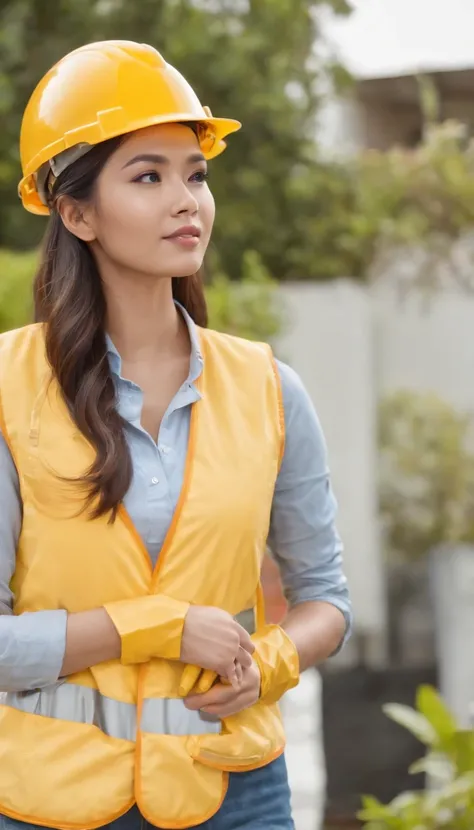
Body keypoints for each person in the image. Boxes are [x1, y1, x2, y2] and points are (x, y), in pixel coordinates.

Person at [0, 40, 352, 830]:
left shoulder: (268, 388)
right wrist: (154, 626)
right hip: (47, 801)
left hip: (236, 790)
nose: (186, 198)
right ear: (76, 212)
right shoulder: (6, 389)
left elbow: (325, 599)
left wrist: (267, 664)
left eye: (195, 173)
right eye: (147, 176)